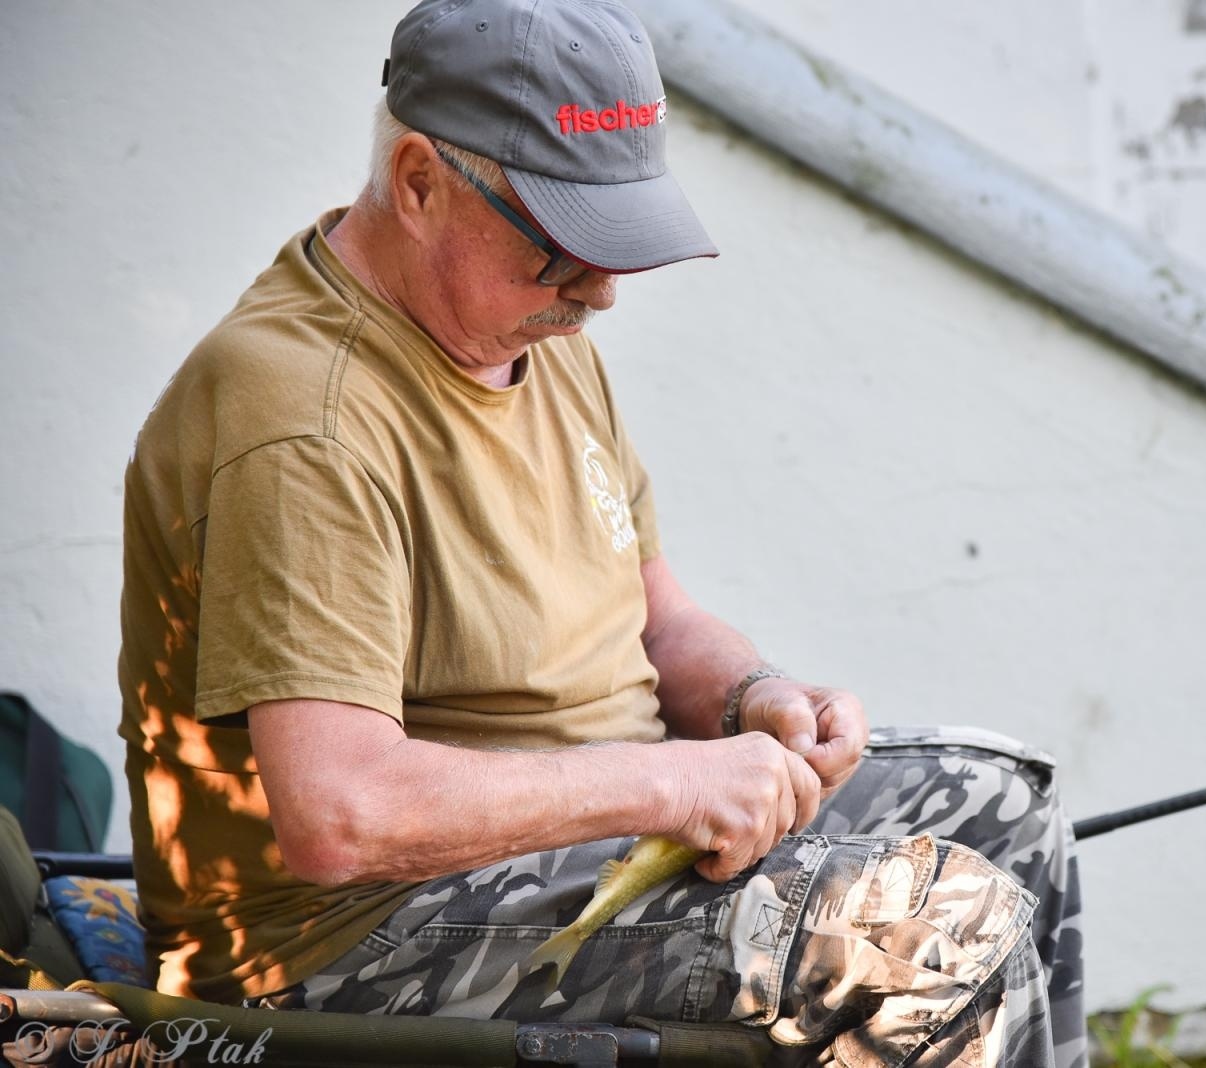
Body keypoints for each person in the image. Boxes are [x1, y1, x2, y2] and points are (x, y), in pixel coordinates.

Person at [116, 1, 1085, 1063]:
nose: (604, 288)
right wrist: (671, 780)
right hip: (351, 942)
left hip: (582, 832)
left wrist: (754, 698)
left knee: (1004, 801)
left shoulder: (525, 321)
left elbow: (654, 617)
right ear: (419, 181)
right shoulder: (305, 418)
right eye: (562, 242)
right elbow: (340, 813)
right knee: (925, 928)